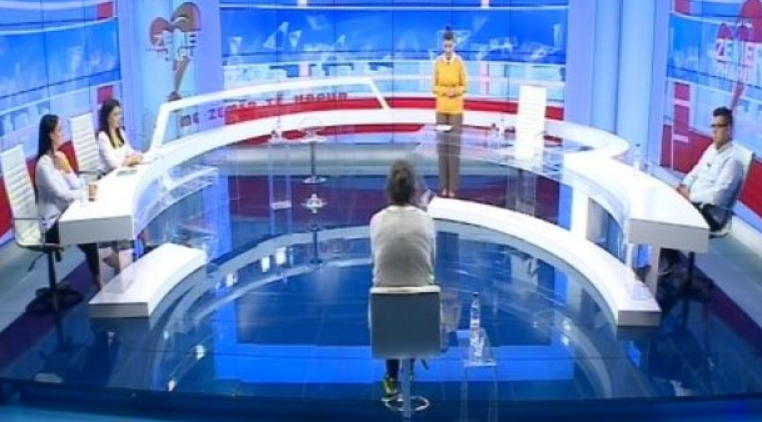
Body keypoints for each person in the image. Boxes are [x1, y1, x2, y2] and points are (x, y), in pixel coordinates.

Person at [369, 160, 436, 398]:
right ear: (414, 190)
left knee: (389, 293)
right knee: (419, 286)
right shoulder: (426, 220)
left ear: (389, 189)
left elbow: (376, 260)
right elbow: (431, 262)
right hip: (422, 310)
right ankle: (410, 365)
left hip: (384, 312)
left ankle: (391, 376)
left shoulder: (376, 220)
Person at [660, 106, 744, 275]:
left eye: (718, 126)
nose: (714, 131)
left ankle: (668, 261)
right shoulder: (711, 149)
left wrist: (690, 196)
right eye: (713, 126)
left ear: (728, 129)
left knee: (670, 214)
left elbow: (718, 196)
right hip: (695, 203)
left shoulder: (733, 161)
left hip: (710, 213)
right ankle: (667, 257)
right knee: (664, 203)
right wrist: (682, 186)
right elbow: (695, 171)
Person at [35, 114, 101, 287]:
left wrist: (67, 168)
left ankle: (101, 273)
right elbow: (61, 195)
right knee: (88, 235)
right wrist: (85, 194)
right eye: (60, 130)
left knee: (91, 229)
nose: (63, 133)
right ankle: (99, 278)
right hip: (51, 225)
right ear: (51, 135)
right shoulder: (43, 166)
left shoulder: (59, 156)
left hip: (66, 214)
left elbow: (74, 184)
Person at [432, 27, 467, 198]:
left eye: (450, 46)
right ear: (442, 45)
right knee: (442, 149)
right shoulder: (437, 63)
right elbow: (434, 86)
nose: (447, 49)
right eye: (445, 46)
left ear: (454, 45)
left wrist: (456, 91)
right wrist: (445, 91)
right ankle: (443, 187)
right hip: (441, 109)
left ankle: (452, 187)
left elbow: (464, 86)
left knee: (453, 150)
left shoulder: (459, 62)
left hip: (456, 110)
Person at [97, 98, 142, 173]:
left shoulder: (121, 132)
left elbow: (129, 151)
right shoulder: (102, 137)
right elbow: (113, 165)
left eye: (119, 113)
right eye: (115, 115)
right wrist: (129, 160)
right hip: (109, 175)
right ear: (107, 118)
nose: (119, 117)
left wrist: (137, 155)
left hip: (122, 170)